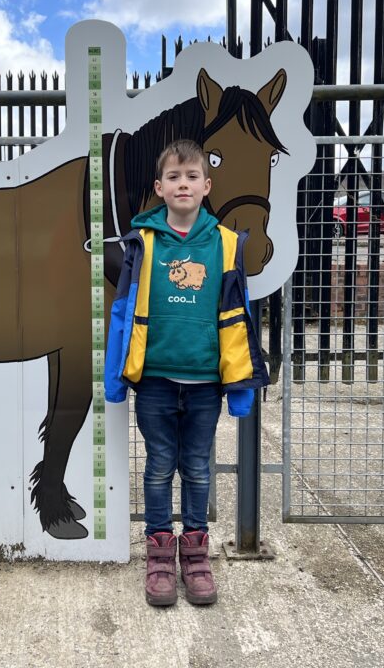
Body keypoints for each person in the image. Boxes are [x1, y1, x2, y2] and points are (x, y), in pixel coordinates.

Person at [104, 139, 269, 607]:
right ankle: (159, 555)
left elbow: (240, 318)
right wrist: (114, 378)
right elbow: (121, 313)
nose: (183, 184)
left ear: (206, 185)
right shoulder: (141, 244)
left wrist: (240, 389)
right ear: (159, 188)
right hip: (155, 380)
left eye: (191, 176)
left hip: (204, 386)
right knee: (158, 468)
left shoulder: (226, 244)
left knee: (197, 469)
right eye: (173, 177)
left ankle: (196, 557)